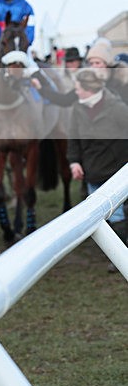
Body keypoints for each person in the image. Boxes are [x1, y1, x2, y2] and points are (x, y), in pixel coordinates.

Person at [67, 68, 128, 250]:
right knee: (98, 214)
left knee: (115, 214)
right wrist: (74, 162)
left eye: (78, 88)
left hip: (115, 171)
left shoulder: (117, 108)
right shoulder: (77, 109)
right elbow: (73, 137)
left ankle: (120, 252)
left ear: (89, 88)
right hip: (91, 171)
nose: (76, 92)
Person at [85, 39, 128, 104]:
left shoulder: (120, 77)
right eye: (91, 63)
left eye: (97, 63)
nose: (94, 66)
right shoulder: (88, 79)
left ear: (106, 63)